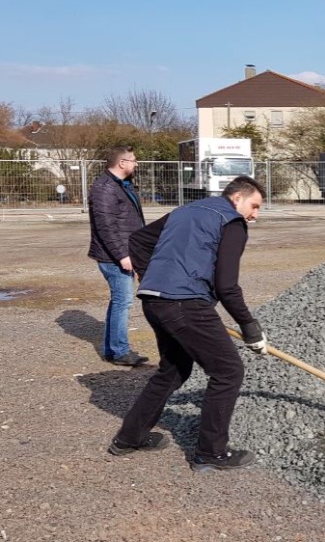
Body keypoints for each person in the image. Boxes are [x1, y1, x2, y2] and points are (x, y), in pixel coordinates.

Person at [107, 176, 269, 472]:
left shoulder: (184, 211)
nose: (255, 215)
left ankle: (129, 438)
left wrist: (151, 277)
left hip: (154, 300)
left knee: (173, 370)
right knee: (228, 371)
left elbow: (139, 241)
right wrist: (249, 326)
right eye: (254, 206)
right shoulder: (232, 222)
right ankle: (211, 452)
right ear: (237, 198)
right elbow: (227, 286)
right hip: (185, 304)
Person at [88, 145, 148, 367]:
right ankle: (120, 351)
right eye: (133, 160)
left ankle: (113, 350)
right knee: (123, 301)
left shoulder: (121, 185)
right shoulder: (105, 188)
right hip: (113, 257)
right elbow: (105, 227)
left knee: (119, 301)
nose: (136, 163)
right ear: (122, 163)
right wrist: (122, 255)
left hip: (124, 252)